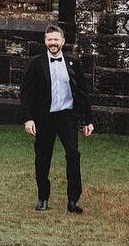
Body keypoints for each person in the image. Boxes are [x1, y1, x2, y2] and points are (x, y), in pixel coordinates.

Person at [20, 23, 94, 214]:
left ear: (63, 41)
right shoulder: (36, 63)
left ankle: (73, 201)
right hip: (44, 118)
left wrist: (88, 120)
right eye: (49, 39)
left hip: (67, 117)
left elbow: (82, 92)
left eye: (56, 39)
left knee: (73, 155)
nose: (52, 43)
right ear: (45, 41)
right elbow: (26, 93)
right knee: (43, 158)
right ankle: (43, 198)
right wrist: (28, 119)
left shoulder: (73, 62)